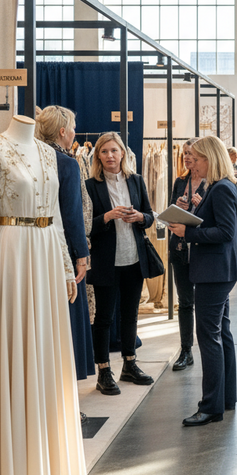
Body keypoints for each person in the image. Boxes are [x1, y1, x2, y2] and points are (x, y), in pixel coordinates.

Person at [168, 136, 237, 426]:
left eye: (197, 158)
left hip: (215, 271)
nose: (192, 163)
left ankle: (211, 406)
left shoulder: (221, 187)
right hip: (218, 269)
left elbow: (225, 232)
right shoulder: (220, 185)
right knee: (221, 333)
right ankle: (225, 398)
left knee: (209, 337)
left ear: (210, 159)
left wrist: (187, 233)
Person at [35, 106, 95, 423]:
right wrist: (81, 256)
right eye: (72, 127)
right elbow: (72, 216)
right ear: (62, 131)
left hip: (34, 252)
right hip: (63, 255)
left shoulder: (30, 155)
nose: (74, 132)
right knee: (65, 327)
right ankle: (66, 403)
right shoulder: (66, 163)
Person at [85, 132, 155, 396]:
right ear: (98, 156)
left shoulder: (136, 180)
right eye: (104, 152)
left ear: (123, 153)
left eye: (114, 150)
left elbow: (150, 216)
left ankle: (129, 364)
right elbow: (84, 226)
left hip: (134, 258)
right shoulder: (90, 185)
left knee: (130, 314)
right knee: (104, 317)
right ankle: (103, 371)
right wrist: (107, 217)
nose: (110, 156)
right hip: (106, 261)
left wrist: (140, 217)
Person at [168, 137, 204, 372]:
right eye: (185, 153)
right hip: (180, 248)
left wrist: (200, 206)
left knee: (205, 302)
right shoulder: (180, 182)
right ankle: (186, 350)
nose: (187, 157)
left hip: (202, 250)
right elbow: (170, 213)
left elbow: (214, 221)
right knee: (185, 302)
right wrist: (178, 208)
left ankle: (209, 347)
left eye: (191, 153)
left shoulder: (212, 183)